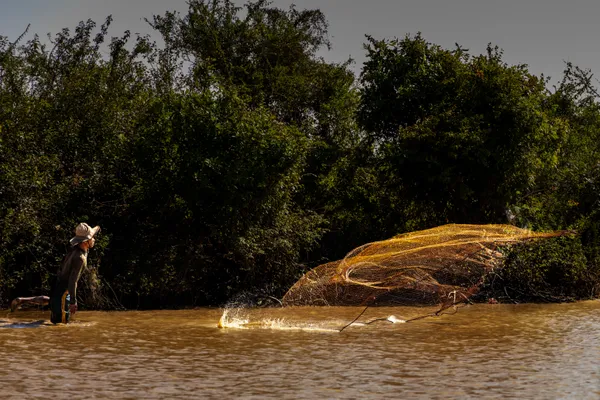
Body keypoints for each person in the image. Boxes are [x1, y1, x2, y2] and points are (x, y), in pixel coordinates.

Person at [10, 222, 100, 324]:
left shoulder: (74, 250)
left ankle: (22, 300)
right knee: (60, 325)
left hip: (58, 283)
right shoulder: (80, 258)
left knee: (53, 300)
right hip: (64, 290)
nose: (94, 239)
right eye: (92, 237)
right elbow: (72, 281)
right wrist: (73, 302)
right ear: (85, 242)